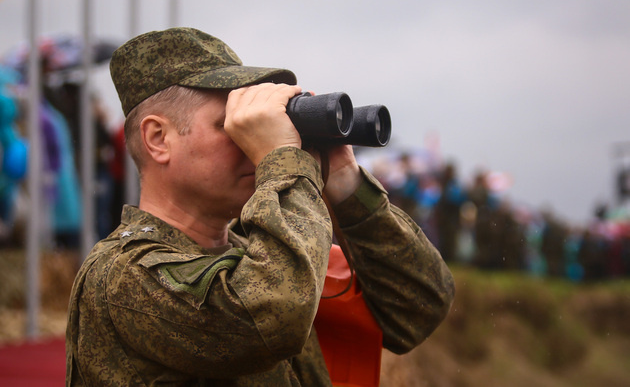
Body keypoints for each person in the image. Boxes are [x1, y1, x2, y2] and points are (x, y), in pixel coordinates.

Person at [65, 27, 455, 386]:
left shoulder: (267, 252)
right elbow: (271, 315)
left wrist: (344, 181)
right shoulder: (120, 276)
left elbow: (417, 306)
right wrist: (284, 159)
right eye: (229, 124)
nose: (251, 142)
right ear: (158, 138)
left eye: (251, 124)